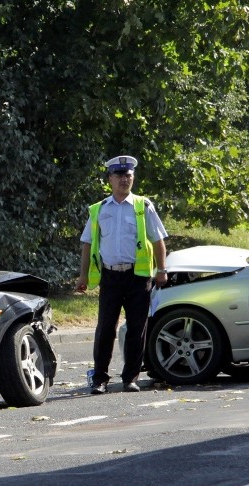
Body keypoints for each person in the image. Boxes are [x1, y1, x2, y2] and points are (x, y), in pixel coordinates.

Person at [74, 155, 169, 394]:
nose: (124, 180)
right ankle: (100, 379)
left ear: (133, 178)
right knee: (105, 328)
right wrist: (83, 276)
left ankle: (130, 379)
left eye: (128, 175)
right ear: (110, 180)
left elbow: (158, 240)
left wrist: (162, 269)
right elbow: (87, 243)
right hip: (111, 277)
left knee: (137, 329)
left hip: (138, 277)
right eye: (119, 176)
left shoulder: (143, 206)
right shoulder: (99, 209)